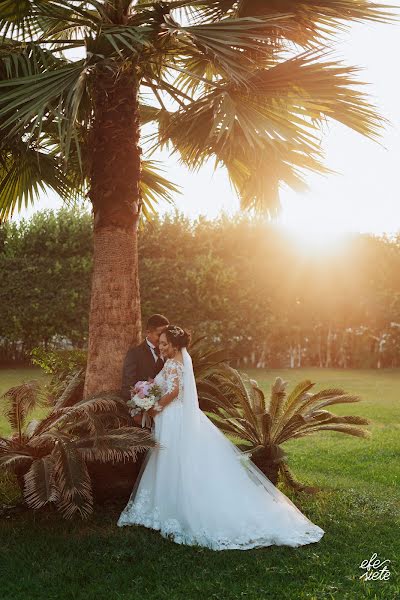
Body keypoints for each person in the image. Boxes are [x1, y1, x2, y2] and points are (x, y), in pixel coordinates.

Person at [117, 325, 325, 551]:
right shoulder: (172, 362)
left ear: (175, 346)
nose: (161, 346)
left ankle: (177, 508)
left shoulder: (176, 364)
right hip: (172, 417)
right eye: (161, 343)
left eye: (165, 343)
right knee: (168, 459)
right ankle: (165, 505)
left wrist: (155, 407)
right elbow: (163, 386)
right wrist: (145, 395)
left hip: (175, 417)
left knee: (177, 459)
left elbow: (175, 391)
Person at [120, 313, 169, 404]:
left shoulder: (170, 352)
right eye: (159, 335)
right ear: (148, 333)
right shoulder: (135, 354)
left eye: (165, 335)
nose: (163, 338)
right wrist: (138, 406)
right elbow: (127, 386)